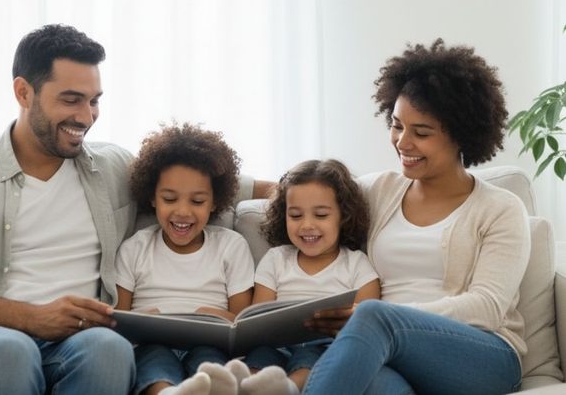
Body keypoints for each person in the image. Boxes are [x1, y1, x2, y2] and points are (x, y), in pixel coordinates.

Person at [0, 25, 266, 395]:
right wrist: (33, 318)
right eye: (71, 99)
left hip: (74, 343)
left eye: (94, 100)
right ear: (23, 92)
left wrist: (296, 187)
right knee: (11, 351)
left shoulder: (111, 167)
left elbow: (196, 181)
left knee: (110, 348)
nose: (85, 116)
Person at [301, 39, 531, 395]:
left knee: (374, 315)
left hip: (484, 355)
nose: (402, 142)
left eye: (421, 132)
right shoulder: (378, 191)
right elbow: (303, 192)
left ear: (460, 136)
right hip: (388, 348)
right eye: (396, 125)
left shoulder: (500, 208)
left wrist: (388, 318)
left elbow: (487, 307)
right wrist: (224, 183)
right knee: (380, 386)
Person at [115, 123, 255, 395]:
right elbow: (120, 323)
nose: (182, 212)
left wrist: (213, 315)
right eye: (169, 198)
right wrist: (148, 319)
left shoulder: (231, 246)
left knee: (209, 361)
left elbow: (242, 324)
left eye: (197, 201)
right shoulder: (135, 248)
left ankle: (216, 387)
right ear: (153, 198)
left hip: (210, 344)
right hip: (151, 344)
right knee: (155, 361)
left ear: (215, 202)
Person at [228, 159, 380, 395]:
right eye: (296, 216)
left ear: (343, 216)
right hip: (277, 343)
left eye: (320, 215)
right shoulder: (276, 258)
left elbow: (368, 318)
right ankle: (244, 384)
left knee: (313, 355)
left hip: (324, 344)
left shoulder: (356, 263)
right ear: (284, 215)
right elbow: (259, 315)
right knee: (260, 356)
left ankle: (288, 388)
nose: (307, 225)